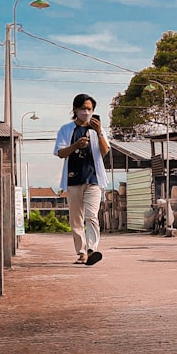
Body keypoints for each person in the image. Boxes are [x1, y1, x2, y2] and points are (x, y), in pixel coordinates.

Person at [54, 93, 110, 265]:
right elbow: (60, 152)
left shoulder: (98, 130)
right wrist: (76, 145)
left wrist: (99, 132)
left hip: (93, 179)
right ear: (75, 110)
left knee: (91, 215)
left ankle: (92, 249)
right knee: (76, 218)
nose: (86, 112)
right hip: (73, 180)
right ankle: (81, 252)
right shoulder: (66, 129)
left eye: (89, 109)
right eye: (83, 109)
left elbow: (105, 151)